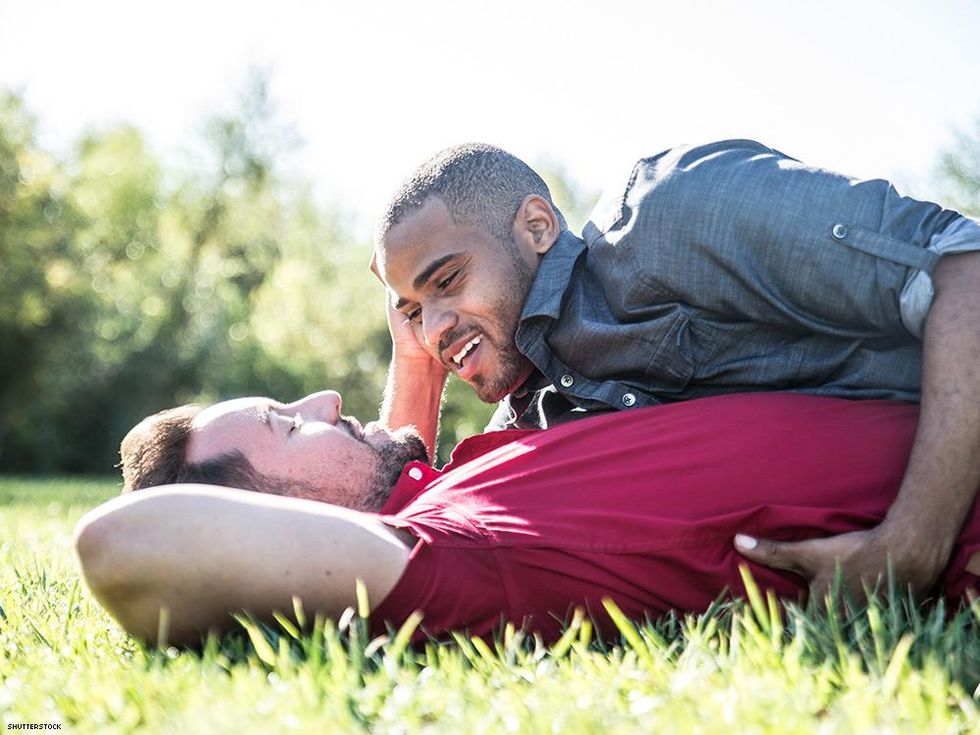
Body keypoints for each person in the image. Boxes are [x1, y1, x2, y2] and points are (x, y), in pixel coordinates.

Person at [370, 139, 980, 600]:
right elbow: (402, 524)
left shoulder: (672, 212)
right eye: (414, 311)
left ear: (537, 226)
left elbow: (963, 264)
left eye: (447, 282)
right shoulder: (532, 426)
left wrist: (914, 541)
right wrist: (416, 363)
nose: (434, 327)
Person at [76, 390, 980, 647]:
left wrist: (411, 364)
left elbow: (380, 462)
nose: (323, 397)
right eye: (285, 422)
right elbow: (120, 545)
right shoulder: (454, 555)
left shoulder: (443, 487)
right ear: (263, 524)